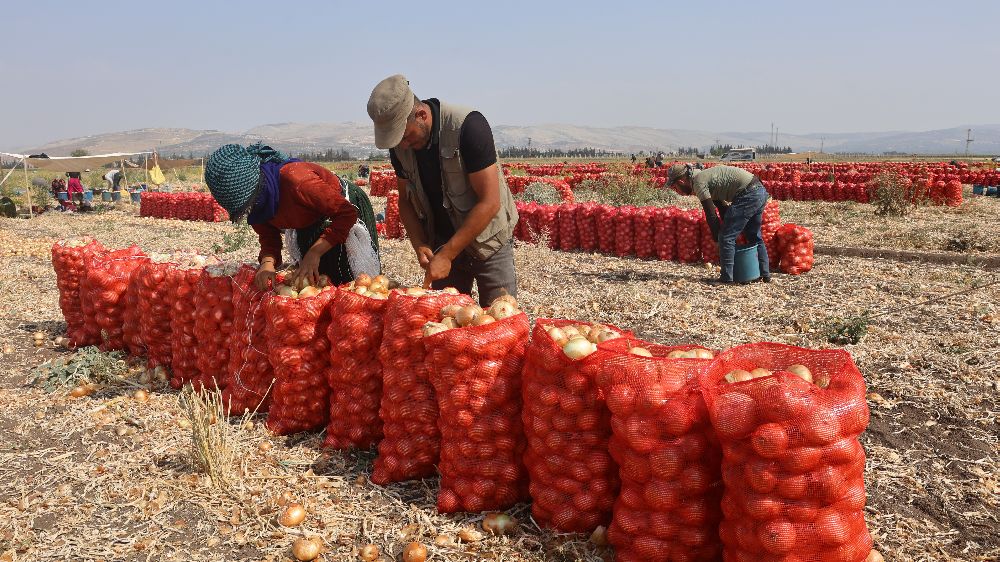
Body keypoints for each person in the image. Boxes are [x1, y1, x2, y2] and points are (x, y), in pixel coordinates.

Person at [366, 74, 519, 307]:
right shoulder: (400, 146)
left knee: (499, 319)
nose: (403, 145)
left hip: (488, 242)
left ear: (421, 115)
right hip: (441, 242)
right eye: (398, 141)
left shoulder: (468, 126)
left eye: (406, 136)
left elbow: (490, 202)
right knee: (445, 321)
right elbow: (405, 202)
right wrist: (419, 243)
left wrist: (448, 254)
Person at [204, 143, 380, 290]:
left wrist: (315, 251)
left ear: (258, 186)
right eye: (245, 209)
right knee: (316, 281)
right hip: (306, 221)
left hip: (342, 212)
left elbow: (346, 213)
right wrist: (267, 262)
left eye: (250, 204)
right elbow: (268, 235)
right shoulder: (258, 205)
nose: (250, 210)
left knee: (350, 280)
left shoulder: (297, 181)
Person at [665, 163, 771, 284]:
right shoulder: (705, 177)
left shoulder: (699, 182)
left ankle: (726, 278)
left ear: (681, 181)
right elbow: (722, 207)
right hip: (759, 191)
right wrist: (728, 226)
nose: (677, 191)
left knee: (726, 237)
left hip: (748, 195)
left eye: (675, 187)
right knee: (753, 235)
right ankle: (765, 274)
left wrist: (718, 239)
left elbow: (711, 214)